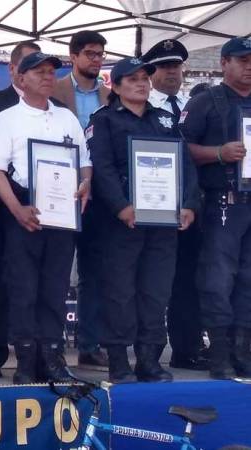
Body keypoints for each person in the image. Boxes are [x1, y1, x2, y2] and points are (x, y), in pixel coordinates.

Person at [0, 52, 92, 384]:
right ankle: (26, 361)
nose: (46, 77)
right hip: (24, 207)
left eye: (51, 72)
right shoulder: (7, 118)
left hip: (62, 210)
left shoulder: (66, 116)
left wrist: (86, 183)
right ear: (21, 78)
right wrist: (17, 209)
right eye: (39, 72)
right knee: (23, 287)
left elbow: (85, 161)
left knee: (55, 288)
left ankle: (52, 357)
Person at [88, 57, 199, 383]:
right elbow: (101, 168)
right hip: (121, 222)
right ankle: (119, 360)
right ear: (116, 85)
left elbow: (185, 165)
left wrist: (189, 204)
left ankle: (149, 359)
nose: (141, 83)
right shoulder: (104, 120)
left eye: (144, 78)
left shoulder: (165, 119)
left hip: (163, 222)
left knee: (156, 290)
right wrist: (120, 206)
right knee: (120, 291)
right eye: (132, 79)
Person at [180, 37, 251, 380]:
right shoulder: (206, 101)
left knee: (249, 280)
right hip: (222, 201)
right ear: (224, 63)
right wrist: (218, 153)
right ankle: (219, 353)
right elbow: (180, 149)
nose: (249, 66)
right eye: (242, 60)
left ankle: (243, 350)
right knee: (218, 279)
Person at [0, 40, 41, 379]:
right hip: (0, 208)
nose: (35, 72)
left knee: (37, 283)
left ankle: (35, 354)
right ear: (13, 69)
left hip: (41, 208)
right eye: (28, 65)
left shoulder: (55, 107)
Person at [142, 38, 208, 371]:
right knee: (152, 282)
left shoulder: (190, 106)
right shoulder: (142, 106)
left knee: (188, 280)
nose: (172, 72)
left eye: (176, 66)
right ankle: (146, 352)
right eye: (164, 67)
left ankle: (187, 347)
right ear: (150, 72)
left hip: (188, 206)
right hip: (151, 205)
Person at [53, 30, 110, 368]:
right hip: (58, 189)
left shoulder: (111, 96)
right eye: (90, 53)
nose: (96, 60)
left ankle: (89, 343)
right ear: (72, 56)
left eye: (100, 54)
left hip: (99, 192)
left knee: (94, 271)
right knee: (56, 269)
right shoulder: (54, 90)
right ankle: (51, 344)